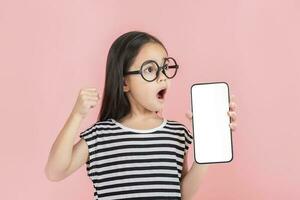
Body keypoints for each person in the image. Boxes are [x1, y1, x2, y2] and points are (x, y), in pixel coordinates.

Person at [44, 31, 238, 200]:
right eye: (150, 70)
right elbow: (55, 171)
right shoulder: (99, 136)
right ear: (124, 83)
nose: (162, 76)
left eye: (164, 68)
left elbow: (181, 195)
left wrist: (207, 146)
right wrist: (77, 115)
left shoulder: (177, 133)